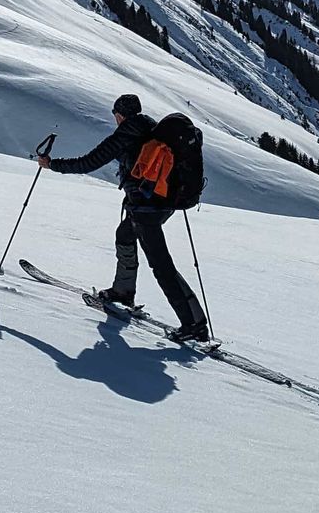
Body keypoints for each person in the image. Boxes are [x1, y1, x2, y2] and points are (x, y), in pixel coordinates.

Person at [38, 94, 211, 342]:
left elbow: (90, 162)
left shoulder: (127, 132)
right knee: (124, 236)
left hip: (146, 209)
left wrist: (53, 165)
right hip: (160, 204)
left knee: (161, 265)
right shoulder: (151, 128)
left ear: (119, 115)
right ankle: (122, 291)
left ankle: (194, 323)